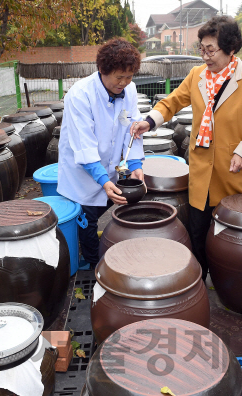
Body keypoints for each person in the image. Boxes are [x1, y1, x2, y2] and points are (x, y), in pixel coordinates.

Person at [131, 16, 242, 280]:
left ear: (230, 49)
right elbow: (172, 102)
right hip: (201, 169)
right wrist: (149, 121)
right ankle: (199, 281)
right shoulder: (197, 76)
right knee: (197, 230)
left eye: (211, 50)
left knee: (230, 233)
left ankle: (226, 280)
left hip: (233, 169)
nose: (204, 56)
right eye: (201, 49)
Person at [57, 38, 145, 268]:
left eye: (129, 76)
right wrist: (103, 180)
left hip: (111, 163)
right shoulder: (80, 95)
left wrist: (135, 165)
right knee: (87, 218)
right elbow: (84, 145)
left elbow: (132, 129)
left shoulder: (129, 89)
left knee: (109, 203)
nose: (124, 83)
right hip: (83, 173)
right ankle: (92, 265)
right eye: (119, 77)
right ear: (102, 70)